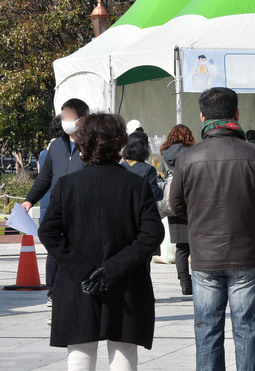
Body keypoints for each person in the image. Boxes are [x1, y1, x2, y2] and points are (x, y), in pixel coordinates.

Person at [38, 113, 165, 370]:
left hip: (77, 282)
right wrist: (112, 269)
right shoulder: (136, 185)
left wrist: (84, 270)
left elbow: (48, 232)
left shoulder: (67, 185)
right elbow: (152, 233)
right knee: (124, 348)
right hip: (126, 280)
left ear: (82, 143)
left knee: (80, 350)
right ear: (120, 143)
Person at [170, 87, 255, 371]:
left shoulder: (187, 158)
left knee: (207, 331)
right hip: (246, 254)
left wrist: (200, 217)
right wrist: (249, 216)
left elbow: (176, 205)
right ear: (236, 114)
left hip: (205, 257)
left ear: (202, 116)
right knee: (247, 331)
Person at [23, 98, 89, 311]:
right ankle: (53, 293)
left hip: (83, 210)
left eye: (69, 117)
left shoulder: (92, 145)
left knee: (80, 250)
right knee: (54, 251)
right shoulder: (56, 147)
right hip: (58, 208)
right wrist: (28, 200)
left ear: (82, 119)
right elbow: (44, 178)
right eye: (63, 118)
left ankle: (81, 290)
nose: (65, 122)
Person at [160, 124, 196, 295]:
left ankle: (185, 284)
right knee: (196, 245)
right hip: (191, 200)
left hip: (173, 201)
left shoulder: (164, 155)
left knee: (181, 248)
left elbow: (162, 177)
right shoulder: (191, 153)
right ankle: (198, 281)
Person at [36, 115, 63, 308]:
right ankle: (56, 290)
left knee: (52, 249)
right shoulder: (57, 150)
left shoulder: (44, 152)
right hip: (58, 203)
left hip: (47, 204)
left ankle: (52, 292)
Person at [121, 132, 163, 202]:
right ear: (144, 148)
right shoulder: (148, 170)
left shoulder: (120, 167)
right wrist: (160, 190)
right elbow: (155, 194)